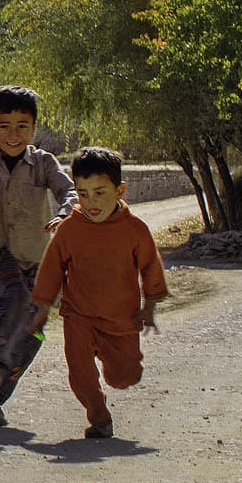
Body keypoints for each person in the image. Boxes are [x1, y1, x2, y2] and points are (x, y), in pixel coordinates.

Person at [0, 86, 77, 427]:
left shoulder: (42, 163)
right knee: (17, 296)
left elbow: (66, 189)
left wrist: (66, 211)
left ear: (34, 127)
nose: (13, 134)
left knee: (32, 334)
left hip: (38, 259)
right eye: (4, 125)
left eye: (22, 125)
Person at [29, 147, 166, 439]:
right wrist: (42, 309)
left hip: (120, 320)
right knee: (80, 374)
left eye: (100, 193)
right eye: (83, 193)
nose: (91, 202)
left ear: (120, 190)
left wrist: (150, 306)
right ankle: (99, 417)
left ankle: (120, 371)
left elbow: (151, 266)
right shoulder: (69, 229)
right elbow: (52, 268)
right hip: (78, 315)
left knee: (124, 376)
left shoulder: (135, 230)